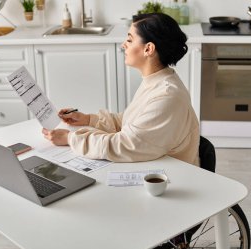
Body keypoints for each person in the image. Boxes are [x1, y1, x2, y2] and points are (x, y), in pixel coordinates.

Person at [42, 13, 200, 166]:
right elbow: (127, 122)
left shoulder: (167, 96)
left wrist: (70, 138)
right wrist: (87, 119)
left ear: (148, 49)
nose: (124, 44)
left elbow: (123, 145)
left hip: (170, 180)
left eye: (130, 40)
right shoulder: (155, 81)